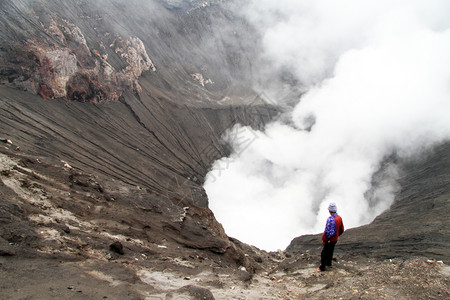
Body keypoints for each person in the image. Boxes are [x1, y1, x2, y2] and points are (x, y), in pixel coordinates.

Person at [317, 202, 344, 272]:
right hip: (335, 239)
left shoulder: (330, 220)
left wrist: (324, 240)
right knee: (330, 251)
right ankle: (329, 264)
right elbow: (342, 229)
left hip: (330, 240)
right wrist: (337, 235)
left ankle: (322, 268)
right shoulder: (339, 218)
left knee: (324, 253)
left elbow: (327, 232)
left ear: (330, 210)